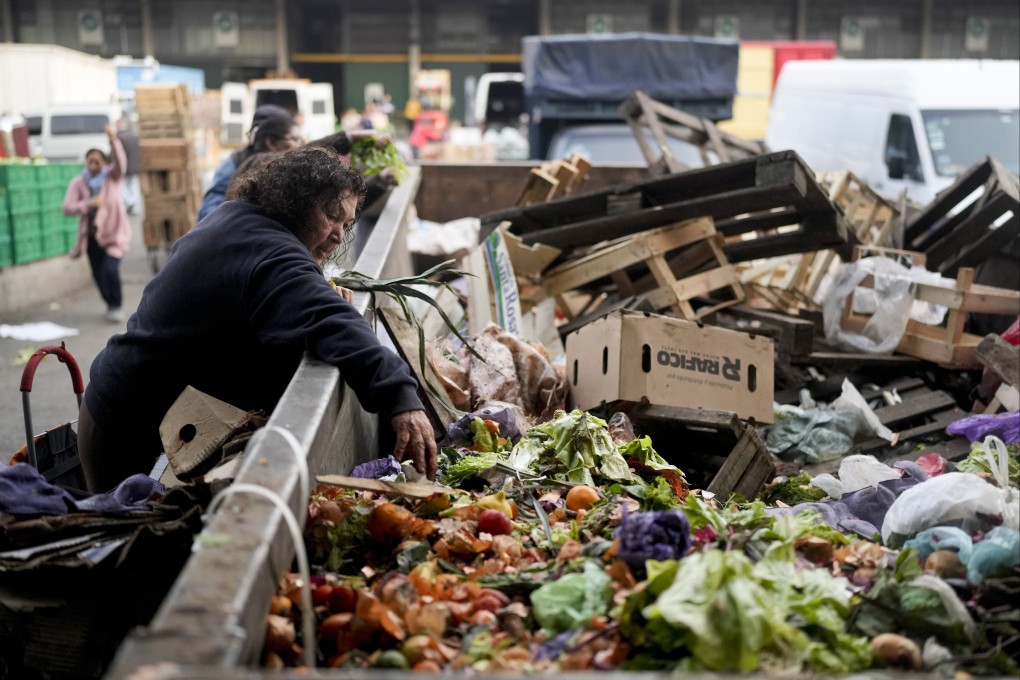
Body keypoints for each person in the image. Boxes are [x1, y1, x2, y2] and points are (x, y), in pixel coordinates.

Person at [77, 146, 437, 492]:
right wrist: (401, 397)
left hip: (127, 406)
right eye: (331, 216)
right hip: (123, 427)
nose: (339, 235)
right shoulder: (270, 252)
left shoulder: (240, 219)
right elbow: (330, 321)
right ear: (297, 204)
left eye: (346, 222)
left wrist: (317, 288)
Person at [63, 125, 132, 322]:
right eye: (90, 161)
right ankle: (109, 303)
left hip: (114, 234)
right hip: (92, 237)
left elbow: (121, 163)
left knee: (110, 269)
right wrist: (88, 203)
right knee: (98, 274)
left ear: (104, 162)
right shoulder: (78, 183)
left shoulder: (112, 177)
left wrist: (113, 140)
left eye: (98, 161)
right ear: (86, 162)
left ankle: (117, 305)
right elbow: (67, 207)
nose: (94, 164)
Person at [197, 103, 290, 221]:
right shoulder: (235, 162)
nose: (298, 144)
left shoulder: (288, 165)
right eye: (293, 138)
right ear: (270, 140)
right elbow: (211, 208)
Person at [116, 116, 142, 215]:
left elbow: (117, 155)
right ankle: (134, 206)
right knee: (134, 187)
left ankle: (130, 203)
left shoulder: (119, 138)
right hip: (135, 166)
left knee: (123, 187)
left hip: (125, 167)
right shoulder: (133, 136)